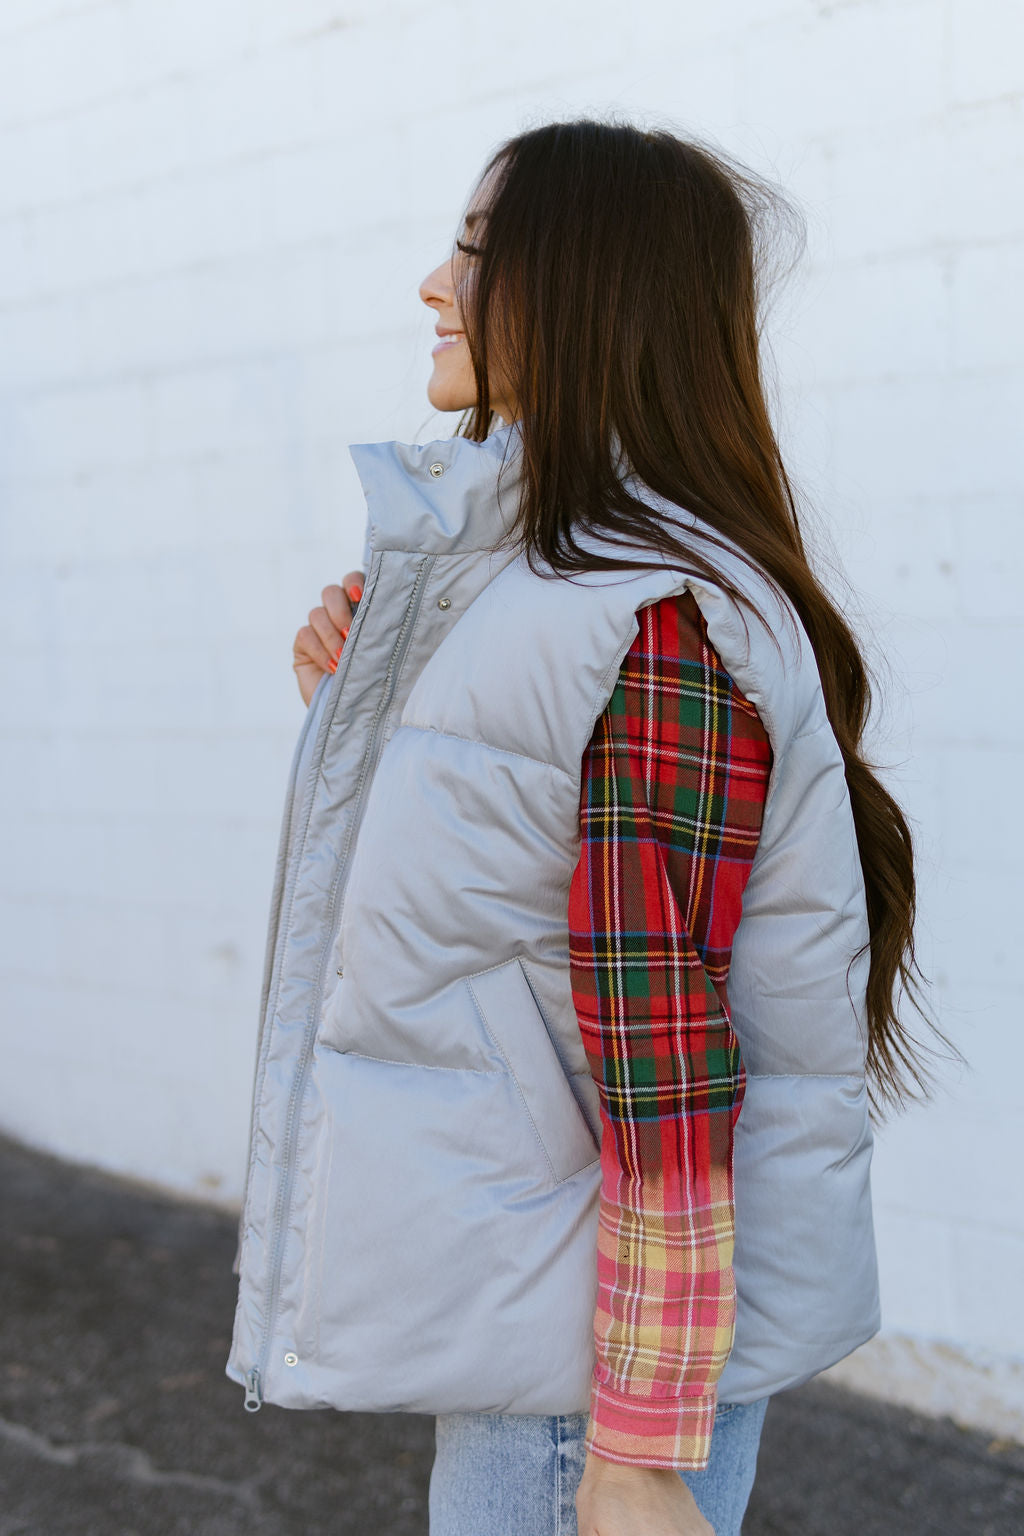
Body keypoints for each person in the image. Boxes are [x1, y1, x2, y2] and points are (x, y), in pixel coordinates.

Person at [227, 120, 938, 1536]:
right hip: (552, 1310)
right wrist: (354, 709)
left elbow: (664, 1048)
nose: (435, 284)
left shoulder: (643, 614)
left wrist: (636, 1445)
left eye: (477, 255)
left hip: (592, 1373)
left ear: (584, 288)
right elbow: (498, 915)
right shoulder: (546, 588)